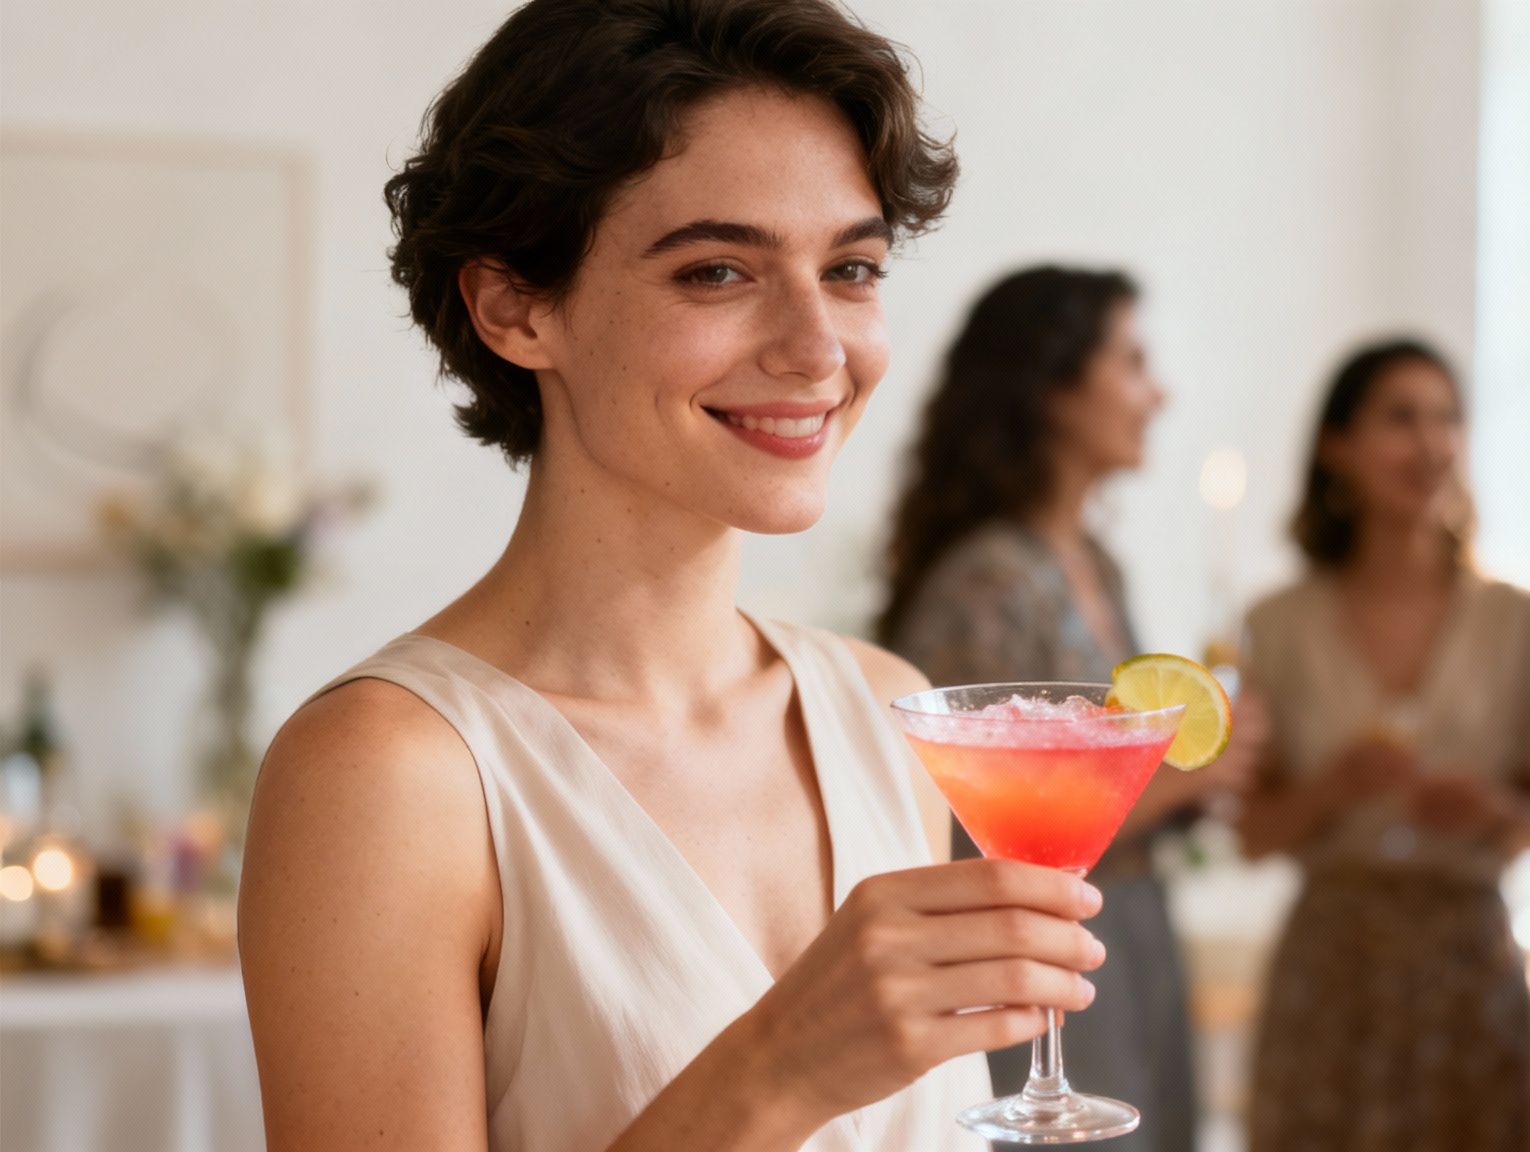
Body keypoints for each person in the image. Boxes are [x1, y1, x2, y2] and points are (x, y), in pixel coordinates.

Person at [237, 3, 1116, 1149]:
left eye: (849, 268)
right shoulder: (386, 777)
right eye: (716, 271)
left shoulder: (883, 714)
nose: (816, 349)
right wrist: (777, 1071)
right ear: (512, 306)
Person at [879, 265, 1262, 1152]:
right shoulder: (984, 581)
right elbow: (964, 825)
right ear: (1052, 388)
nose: (1156, 392)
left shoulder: (1096, 560)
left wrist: (1203, 775)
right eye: (1131, 362)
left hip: (1129, 933)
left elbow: (1119, 766)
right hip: (1031, 955)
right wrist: (1172, 786)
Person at [1236, 339, 1530, 1152]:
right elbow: (1249, 834)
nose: (1431, 444)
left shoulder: (1521, 621)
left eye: (1448, 419)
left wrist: (1492, 810)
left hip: (1468, 967)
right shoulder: (1277, 625)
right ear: (1337, 447)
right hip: (1330, 969)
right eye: (1401, 418)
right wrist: (1330, 790)